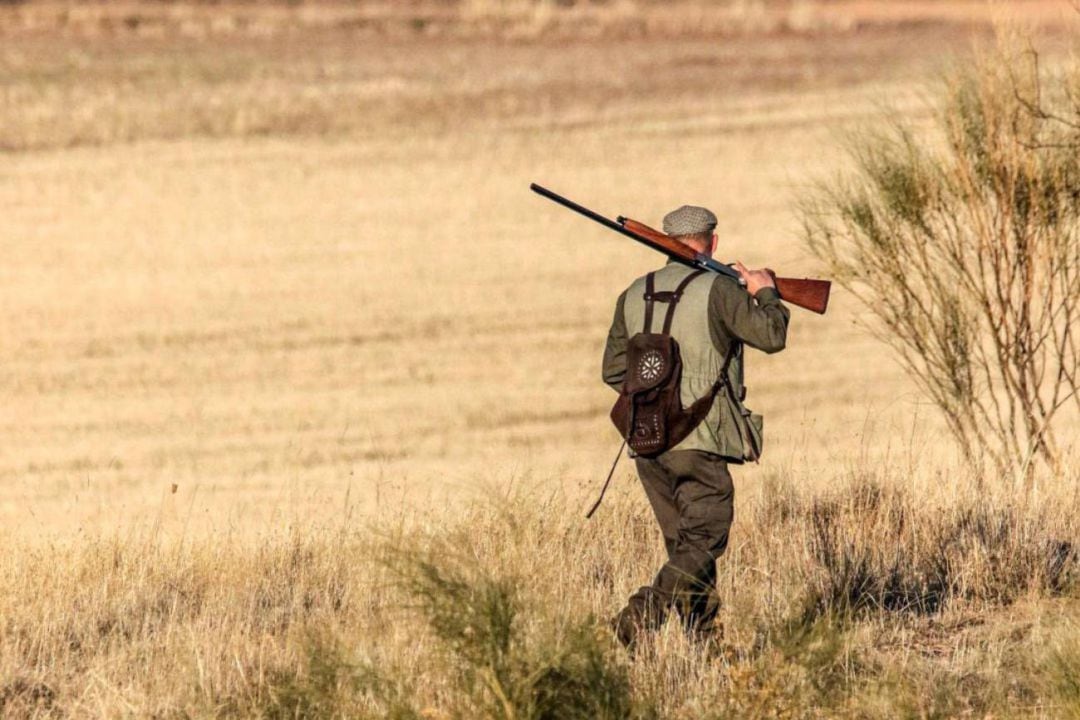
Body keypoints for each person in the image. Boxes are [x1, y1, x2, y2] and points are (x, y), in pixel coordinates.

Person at [600, 204, 789, 648]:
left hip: (647, 441)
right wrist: (765, 292)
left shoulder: (633, 292)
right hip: (700, 437)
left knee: (686, 548)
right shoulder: (718, 290)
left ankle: (704, 644)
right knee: (704, 538)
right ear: (713, 243)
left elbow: (613, 372)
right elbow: (772, 335)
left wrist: (656, 389)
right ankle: (638, 616)